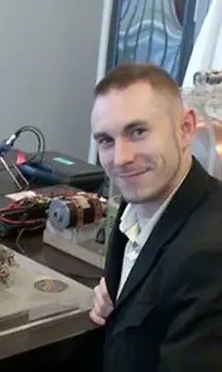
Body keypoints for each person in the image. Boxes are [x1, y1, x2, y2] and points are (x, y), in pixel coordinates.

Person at [89, 62, 222, 372]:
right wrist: (120, 299)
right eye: (106, 140)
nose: (121, 159)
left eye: (138, 131)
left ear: (186, 128)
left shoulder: (210, 257)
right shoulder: (137, 202)